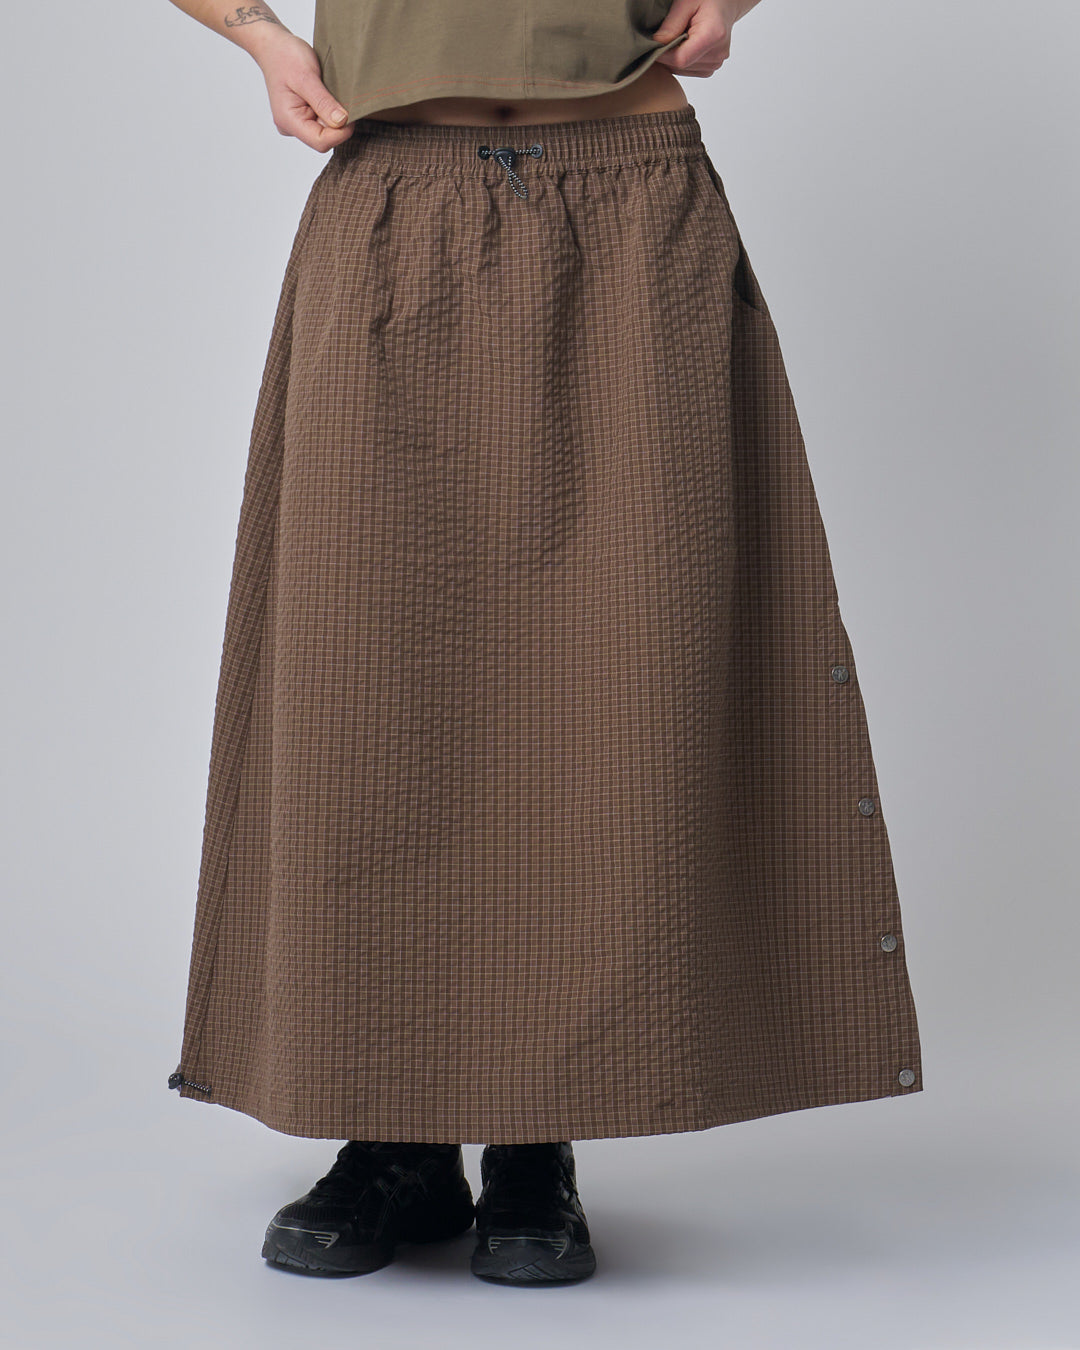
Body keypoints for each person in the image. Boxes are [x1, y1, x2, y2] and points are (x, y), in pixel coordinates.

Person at [166, 0, 924, 1288]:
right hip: (393, 186)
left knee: (620, 672)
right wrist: (260, 37)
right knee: (366, 675)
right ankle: (391, 1134)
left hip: (633, 191)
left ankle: (536, 1139)